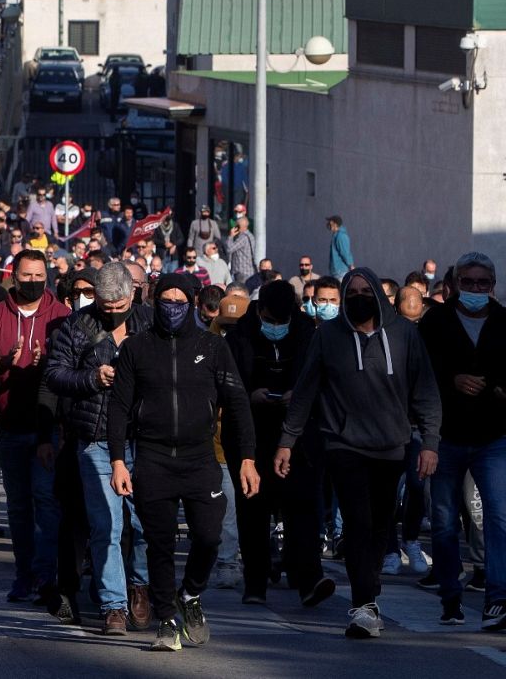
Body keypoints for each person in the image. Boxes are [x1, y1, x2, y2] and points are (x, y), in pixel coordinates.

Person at [276, 267, 440, 639]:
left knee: (382, 523)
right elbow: (305, 390)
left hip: (391, 446)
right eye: (352, 292)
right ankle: (364, 606)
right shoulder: (328, 336)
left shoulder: (405, 335)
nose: (359, 297)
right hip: (343, 443)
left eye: (367, 291)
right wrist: (287, 440)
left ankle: (370, 579)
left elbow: (426, 392)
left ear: (380, 297)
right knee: (357, 522)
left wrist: (429, 442)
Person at [108, 272, 259, 653]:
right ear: (154, 301)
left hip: (200, 458)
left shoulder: (212, 346)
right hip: (153, 459)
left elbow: (238, 404)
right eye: (165, 300)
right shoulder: (136, 348)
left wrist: (247, 458)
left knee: (209, 535)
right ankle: (167, 620)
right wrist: (117, 462)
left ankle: (190, 593)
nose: (171, 308)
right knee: (156, 543)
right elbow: (119, 408)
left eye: (179, 301)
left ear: (192, 304)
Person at [44, 263, 152, 635]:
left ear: (133, 294)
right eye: (104, 305)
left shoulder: (150, 324)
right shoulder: (76, 326)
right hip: (96, 438)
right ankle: (113, 605)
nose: (112, 312)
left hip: (145, 439)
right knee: (106, 524)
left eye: (119, 304)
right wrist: (93, 377)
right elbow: (54, 373)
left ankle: (140, 586)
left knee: (144, 525)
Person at [225, 280, 334, 607]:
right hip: (251, 435)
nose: (276, 327)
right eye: (270, 321)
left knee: (302, 508)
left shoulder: (307, 334)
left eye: (281, 321)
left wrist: (296, 398)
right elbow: (228, 384)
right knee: (254, 511)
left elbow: (318, 381)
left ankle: (308, 579)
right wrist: (250, 395)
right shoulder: (239, 337)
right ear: (259, 312)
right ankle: (255, 583)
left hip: (297, 436)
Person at [0, 249, 70, 608]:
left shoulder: (61, 315)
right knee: (17, 507)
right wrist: (4, 362)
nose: (33, 282)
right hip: (11, 426)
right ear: (13, 277)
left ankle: (47, 576)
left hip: (49, 427)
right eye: (26, 276)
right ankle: (24, 574)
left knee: (46, 502)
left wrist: (50, 363)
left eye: (39, 276)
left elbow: (72, 361)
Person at [418, 252, 506, 629]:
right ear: (454, 284)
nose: (474, 289)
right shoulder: (435, 320)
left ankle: (497, 599)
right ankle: (450, 596)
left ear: (492, 286)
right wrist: (452, 379)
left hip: (493, 436)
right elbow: (421, 371)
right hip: (446, 434)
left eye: (481, 283)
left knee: (499, 518)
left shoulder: (504, 321)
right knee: (443, 520)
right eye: (467, 282)